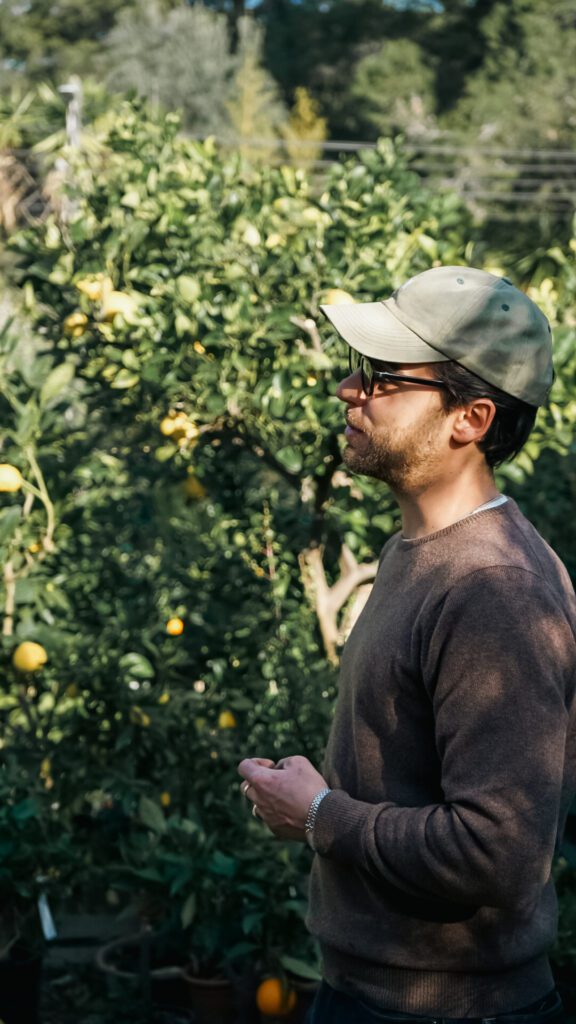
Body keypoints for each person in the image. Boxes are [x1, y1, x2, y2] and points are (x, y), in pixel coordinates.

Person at [238, 266, 576, 1024]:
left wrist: (321, 814)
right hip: (378, 996)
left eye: (384, 379)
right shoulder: (422, 551)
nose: (349, 392)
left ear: (471, 418)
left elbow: (496, 851)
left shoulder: (495, 588)